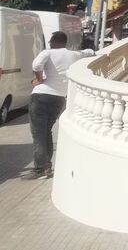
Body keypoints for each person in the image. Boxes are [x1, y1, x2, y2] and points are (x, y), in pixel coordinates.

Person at [30, 31, 94, 178]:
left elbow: (36, 64)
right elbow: (89, 52)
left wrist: (39, 79)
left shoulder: (48, 52)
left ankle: (40, 169)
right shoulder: (74, 55)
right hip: (59, 98)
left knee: (38, 134)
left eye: (50, 42)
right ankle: (46, 167)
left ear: (53, 41)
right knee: (47, 131)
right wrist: (92, 51)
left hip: (40, 96)